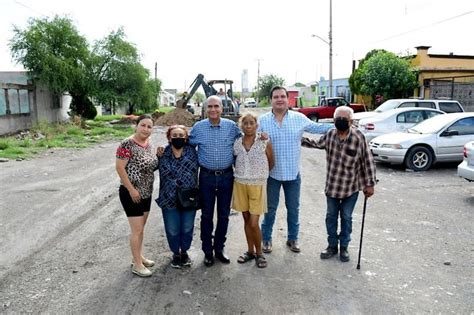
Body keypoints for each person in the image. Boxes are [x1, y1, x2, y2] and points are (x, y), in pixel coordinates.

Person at [258, 86, 332, 254]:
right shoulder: (262, 121)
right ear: (271, 100)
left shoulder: (299, 118)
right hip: (272, 175)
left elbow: (317, 128)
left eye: (282, 96)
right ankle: (266, 239)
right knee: (269, 209)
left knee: (293, 209)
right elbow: (251, 139)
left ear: (287, 99)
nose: (279, 99)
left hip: (293, 174)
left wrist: (342, 123)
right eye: (276, 96)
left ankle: (292, 238)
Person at [312, 106, 376, 262]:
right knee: (331, 217)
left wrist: (370, 184)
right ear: (334, 121)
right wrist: (296, 139)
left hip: (350, 188)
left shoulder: (358, 137)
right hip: (333, 186)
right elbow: (316, 144)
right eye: (338, 119)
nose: (340, 122)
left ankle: (344, 247)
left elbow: (368, 161)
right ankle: (332, 246)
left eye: (344, 119)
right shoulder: (330, 135)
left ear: (351, 121)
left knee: (346, 217)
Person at [189, 95, 242, 267]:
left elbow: (246, 138)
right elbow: (185, 146)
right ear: (205, 109)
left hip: (227, 176)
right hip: (206, 177)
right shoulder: (198, 128)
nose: (213, 110)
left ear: (222, 108)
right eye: (209, 106)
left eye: (216, 106)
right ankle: (208, 251)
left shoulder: (231, 127)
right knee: (206, 215)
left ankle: (219, 249)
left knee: (224, 215)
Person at [115, 114, 158, 277]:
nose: (146, 129)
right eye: (143, 125)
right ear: (136, 125)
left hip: (146, 192)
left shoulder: (148, 144)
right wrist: (132, 189)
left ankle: (138, 257)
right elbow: (119, 168)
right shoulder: (127, 143)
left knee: (141, 229)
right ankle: (137, 265)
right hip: (131, 193)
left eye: (149, 126)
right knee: (137, 230)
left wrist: (159, 156)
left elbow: (150, 166)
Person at [232, 113, 274, 268]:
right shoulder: (237, 143)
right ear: (241, 126)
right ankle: (250, 251)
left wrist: (261, 175)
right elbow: (236, 160)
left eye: (252, 123)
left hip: (257, 185)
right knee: (246, 220)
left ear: (257, 125)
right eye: (246, 123)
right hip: (240, 183)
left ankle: (260, 253)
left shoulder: (264, 141)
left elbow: (271, 161)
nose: (248, 126)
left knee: (254, 222)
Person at [156, 125, 199, 268]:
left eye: (181, 135)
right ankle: (175, 253)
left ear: (186, 138)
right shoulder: (163, 154)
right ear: (169, 137)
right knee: (172, 229)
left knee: (187, 227)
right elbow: (158, 170)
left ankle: (184, 252)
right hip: (168, 198)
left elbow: (195, 169)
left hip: (188, 198)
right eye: (174, 135)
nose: (178, 138)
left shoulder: (193, 153)